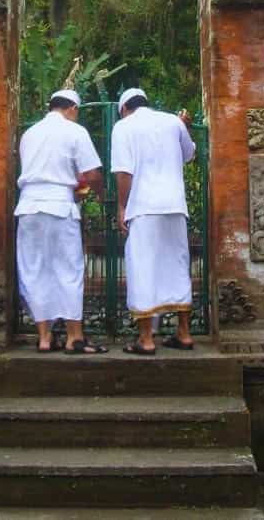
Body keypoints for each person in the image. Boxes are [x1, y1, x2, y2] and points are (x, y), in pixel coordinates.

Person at [15, 88, 108, 355]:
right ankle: (74, 337)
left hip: (29, 207)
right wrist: (101, 195)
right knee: (69, 269)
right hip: (59, 206)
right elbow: (91, 174)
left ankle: (44, 338)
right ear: (72, 109)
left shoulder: (29, 134)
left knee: (34, 269)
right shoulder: (74, 131)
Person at [111, 88, 197, 355]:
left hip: (143, 207)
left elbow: (124, 172)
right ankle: (184, 333)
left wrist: (123, 205)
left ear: (124, 108)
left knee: (143, 267)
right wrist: (184, 128)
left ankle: (146, 339)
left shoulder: (123, 127)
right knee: (178, 264)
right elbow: (189, 154)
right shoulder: (173, 122)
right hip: (174, 206)